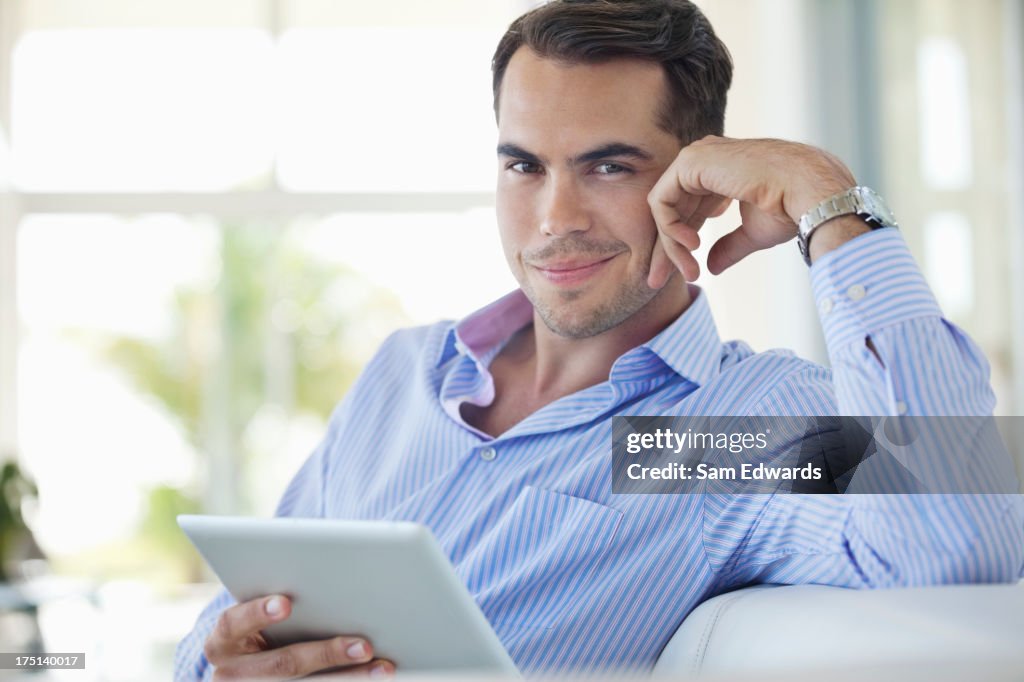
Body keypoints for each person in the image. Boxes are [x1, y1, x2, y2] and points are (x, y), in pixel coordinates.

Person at [175, 0, 1024, 679]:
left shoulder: (724, 433)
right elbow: (225, 626)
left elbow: (962, 541)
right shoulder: (409, 372)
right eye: (524, 165)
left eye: (608, 166)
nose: (555, 220)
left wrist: (827, 199)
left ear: (701, 180)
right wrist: (223, 667)